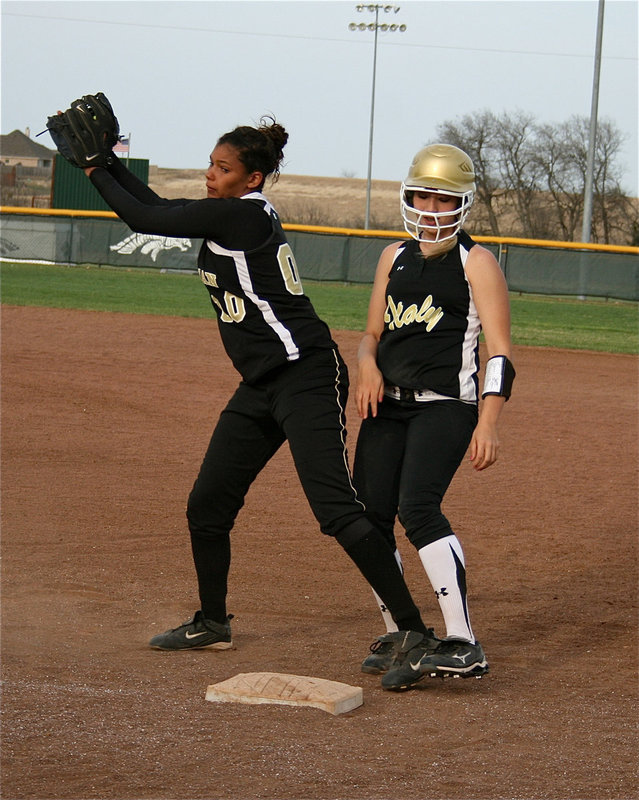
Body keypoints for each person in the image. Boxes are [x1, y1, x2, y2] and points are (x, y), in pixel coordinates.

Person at [82, 113, 436, 663]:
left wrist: (92, 168)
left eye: (223, 169)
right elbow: (159, 208)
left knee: (336, 509)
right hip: (261, 383)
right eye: (210, 164)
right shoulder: (231, 213)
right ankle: (213, 622)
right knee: (207, 505)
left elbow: (141, 217)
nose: (210, 175)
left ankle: (414, 631)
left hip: (307, 374)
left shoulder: (243, 218)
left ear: (252, 180)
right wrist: (107, 163)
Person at [352, 143, 515, 691]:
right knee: (368, 518)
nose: (430, 206)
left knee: (417, 509)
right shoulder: (392, 256)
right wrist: (366, 366)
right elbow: (371, 334)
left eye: (443, 198)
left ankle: (463, 642)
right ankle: (404, 631)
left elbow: (500, 352)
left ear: (462, 204)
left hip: (446, 406)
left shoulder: (477, 262)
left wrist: (488, 422)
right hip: (387, 405)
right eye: (422, 194)